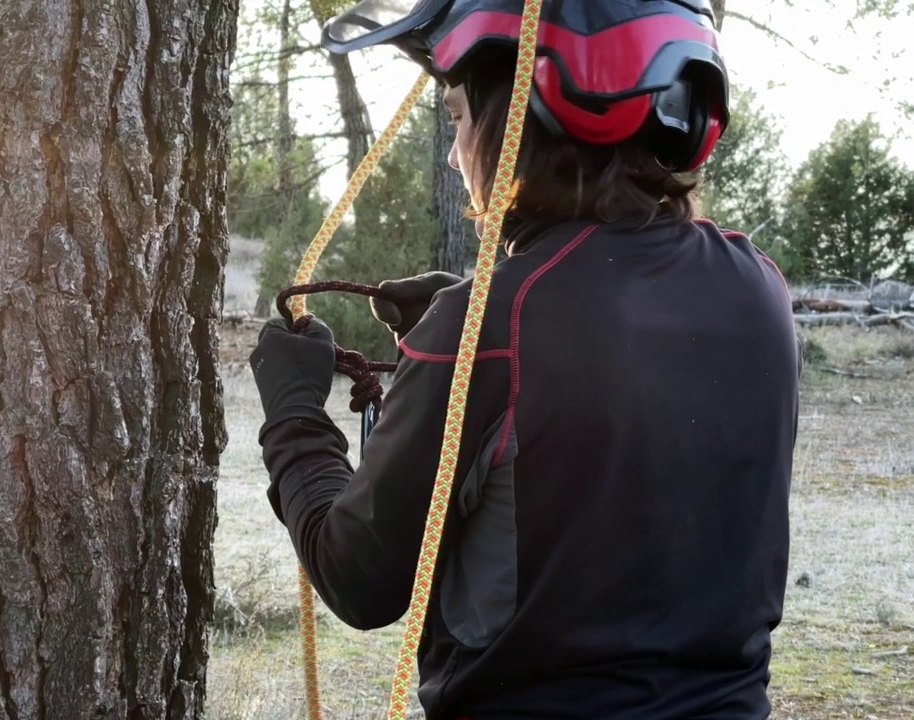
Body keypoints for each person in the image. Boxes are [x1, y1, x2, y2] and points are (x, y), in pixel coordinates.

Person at [247, 1, 802, 717]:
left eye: (456, 116)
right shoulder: (756, 287)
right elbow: (610, 368)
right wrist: (461, 320)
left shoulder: (490, 327)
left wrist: (294, 414)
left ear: (525, 119)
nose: (454, 153)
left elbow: (356, 578)